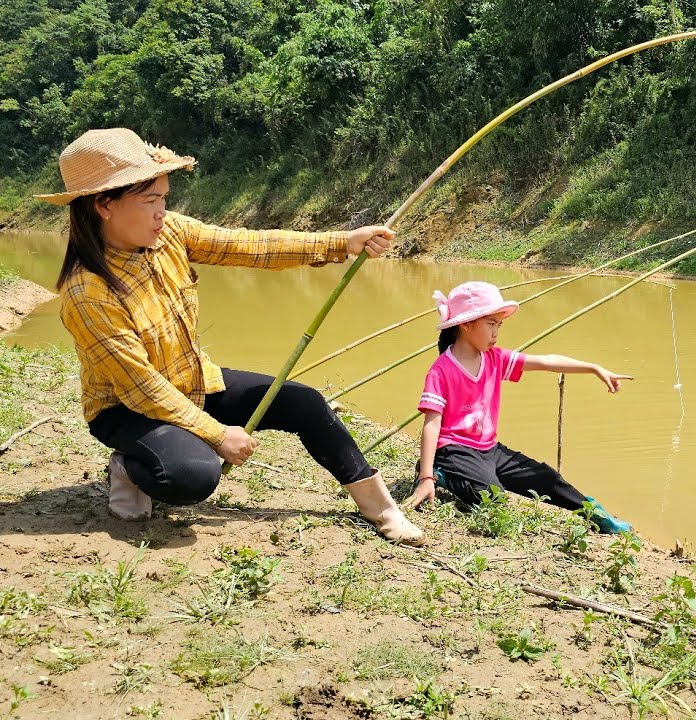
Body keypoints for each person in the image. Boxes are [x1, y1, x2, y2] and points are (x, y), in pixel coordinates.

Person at [37, 127, 424, 545]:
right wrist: (217, 434)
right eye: (150, 200)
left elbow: (247, 245)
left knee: (304, 402)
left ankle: (381, 508)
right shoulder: (88, 292)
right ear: (104, 206)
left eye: (164, 198)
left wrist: (341, 242)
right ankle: (130, 469)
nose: (161, 212)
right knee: (192, 475)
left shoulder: (169, 235)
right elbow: (142, 388)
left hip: (192, 382)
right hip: (127, 410)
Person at [403, 281, 633, 533]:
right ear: (466, 324)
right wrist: (426, 477)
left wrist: (594, 368)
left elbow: (546, 362)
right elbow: (432, 423)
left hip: (489, 449)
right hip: (454, 449)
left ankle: (598, 516)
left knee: (547, 477)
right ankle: (441, 474)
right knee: (494, 498)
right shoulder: (442, 370)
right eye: (491, 324)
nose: (496, 333)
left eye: (499, 325)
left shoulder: (495, 358)